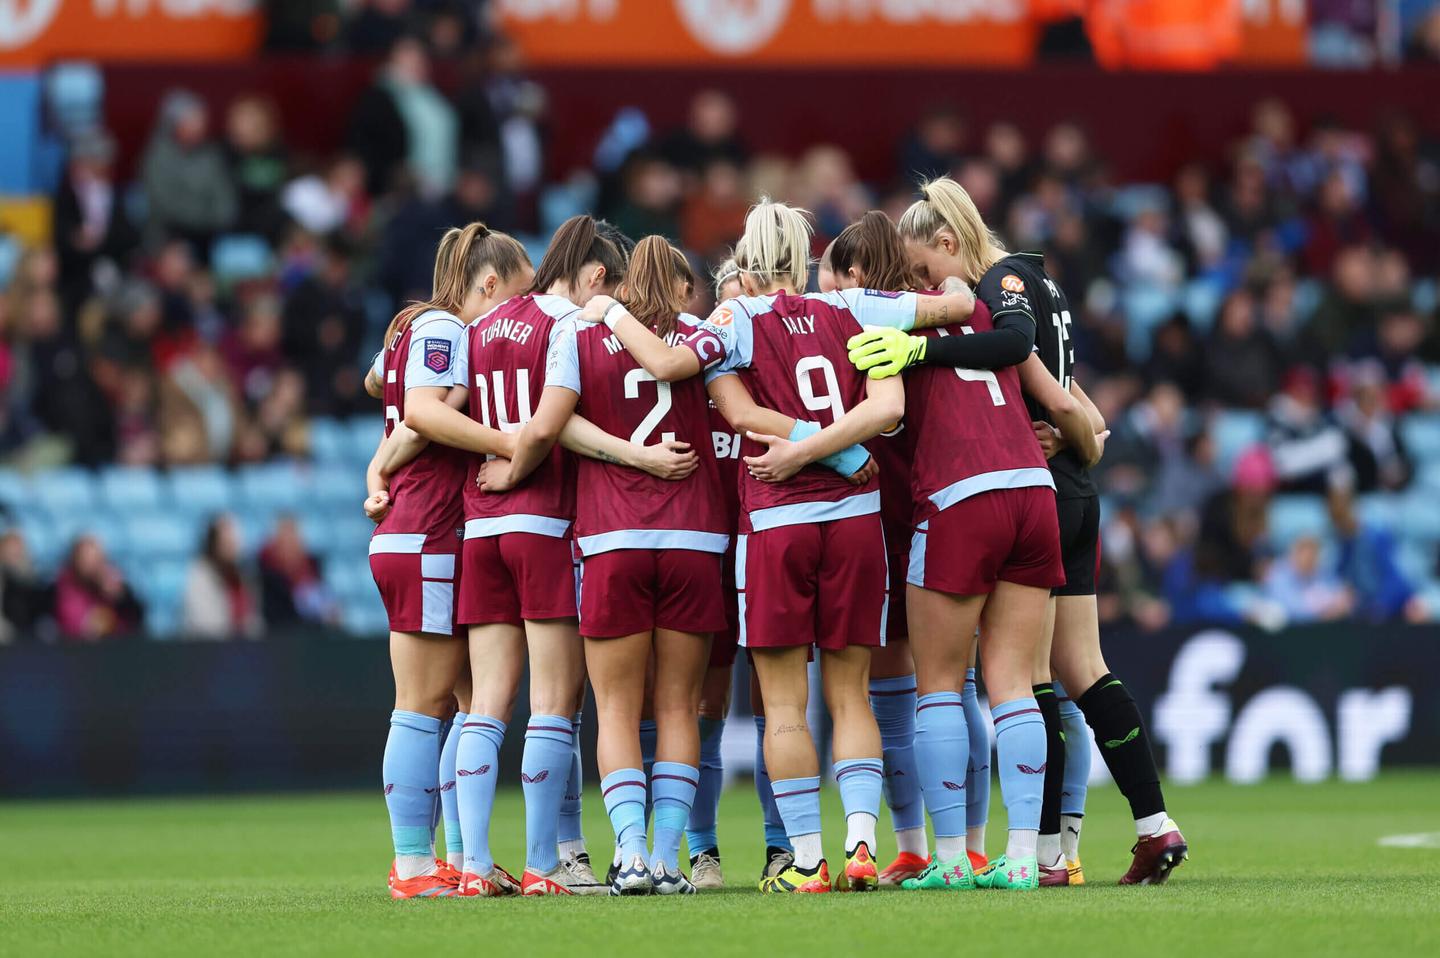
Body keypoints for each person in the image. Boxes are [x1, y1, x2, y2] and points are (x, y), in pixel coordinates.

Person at [584, 199, 973, 894]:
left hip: (776, 522)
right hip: (855, 521)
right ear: (805, 255)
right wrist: (838, 452)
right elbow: (940, 328)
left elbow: (704, 388)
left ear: (748, 257)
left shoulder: (731, 320)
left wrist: (609, 311)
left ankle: (805, 861)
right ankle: (860, 844)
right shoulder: (859, 306)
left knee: (785, 704)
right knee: (851, 695)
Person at [852, 176, 1187, 886]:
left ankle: (1013, 855)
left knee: (1005, 681)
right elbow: (1087, 417)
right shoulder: (1038, 285)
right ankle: (1092, 840)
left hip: (996, 493)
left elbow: (1011, 345)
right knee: (1071, 677)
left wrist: (915, 352)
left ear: (948, 242)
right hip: (1057, 493)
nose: (924, 290)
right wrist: (1080, 447)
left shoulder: (996, 288)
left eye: (923, 271)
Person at [416, 215, 693, 897]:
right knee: (552, 703)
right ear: (598, 277)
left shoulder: (474, 328)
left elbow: (423, 404)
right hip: (543, 524)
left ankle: (472, 864)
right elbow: (554, 422)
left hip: (480, 530)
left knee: (484, 704)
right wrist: (521, 460)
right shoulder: (567, 325)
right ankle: (546, 865)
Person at [486, 237, 726, 894]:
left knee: (616, 707)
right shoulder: (704, 333)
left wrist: (623, 455)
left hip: (613, 537)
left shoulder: (579, 335)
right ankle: (673, 859)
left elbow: (553, 425)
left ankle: (629, 854)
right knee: (678, 705)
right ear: (679, 286)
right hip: (694, 538)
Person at [366, 223, 522, 899]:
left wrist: (382, 460)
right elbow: (423, 412)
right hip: (425, 531)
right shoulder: (444, 330)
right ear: (488, 285)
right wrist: (503, 441)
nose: (515, 316)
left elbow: (381, 383)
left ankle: (462, 862)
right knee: (422, 704)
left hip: (426, 530)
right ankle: (412, 866)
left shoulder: (408, 328)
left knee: (462, 700)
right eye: (515, 298)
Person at [821, 214, 934, 885]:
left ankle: (919, 845)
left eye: (835, 273)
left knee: (882, 696)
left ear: (857, 276)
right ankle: (957, 846)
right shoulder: (934, 329)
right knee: (952, 689)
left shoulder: (855, 330)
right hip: (935, 513)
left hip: (878, 519)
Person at [181, 515, 261, 640]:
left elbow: (253, 619)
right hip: (206, 649)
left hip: (242, 648)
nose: (232, 544)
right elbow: (206, 623)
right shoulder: (200, 574)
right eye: (226, 540)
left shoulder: (242, 575)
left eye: (233, 540)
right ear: (214, 542)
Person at [54, 535, 142, 642]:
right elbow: (75, 624)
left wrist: (119, 596)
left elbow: (134, 619)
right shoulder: (64, 587)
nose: (90, 565)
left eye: (95, 558)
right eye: (85, 559)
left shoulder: (114, 584)